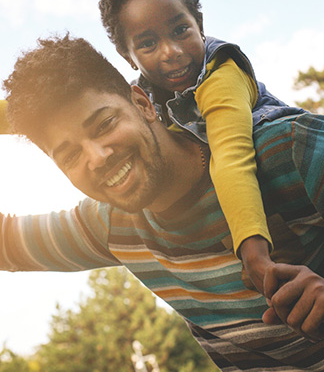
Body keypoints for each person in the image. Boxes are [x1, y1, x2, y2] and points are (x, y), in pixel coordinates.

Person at [2, 34, 324, 371]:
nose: (97, 158)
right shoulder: (113, 226)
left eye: (105, 124)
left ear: (142, 104)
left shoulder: (287, 150)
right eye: (70, 156)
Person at [99, 0, 305, 295]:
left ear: (200, 23)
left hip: (291, 188)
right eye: (148, 43)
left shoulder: (220, 72)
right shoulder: (143, 97)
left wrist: (252, 250)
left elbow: (230, 153)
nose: (171, 51)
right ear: (127, 55)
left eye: (181, 30)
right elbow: (71, 107)